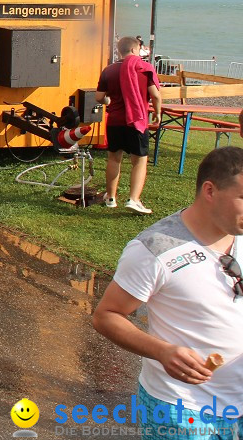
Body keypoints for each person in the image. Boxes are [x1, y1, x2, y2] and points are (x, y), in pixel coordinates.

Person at [92, 146, 243, 438]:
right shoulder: (154, 249)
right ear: (210, 191)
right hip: (182, 411)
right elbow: (106, 315)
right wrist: (162, 352)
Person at [96, 36, 162, 214]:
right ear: (134, 50)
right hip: (136, 121)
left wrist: (108, 100)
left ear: (119, 50)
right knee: (139, 161)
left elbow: (99, 97)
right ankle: (134, 199)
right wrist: (157, 112)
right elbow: (155, 95)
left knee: (114, 158)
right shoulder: (144, 68)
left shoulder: (108, 70)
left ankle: (110, 197)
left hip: (115, 120)